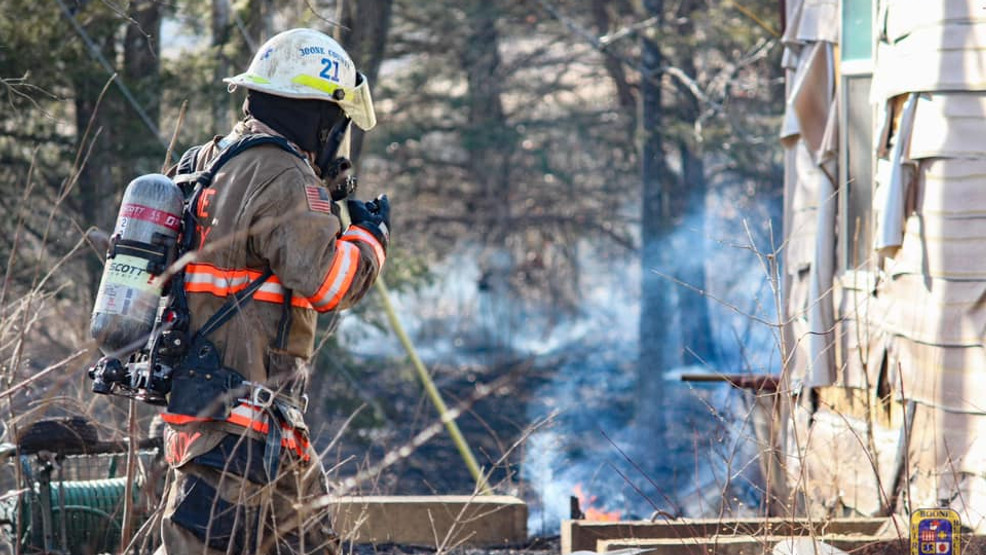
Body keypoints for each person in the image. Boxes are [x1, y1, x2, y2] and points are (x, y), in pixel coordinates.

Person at [154, 28, 389, 554]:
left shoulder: (209, 160)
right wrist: (370, 239)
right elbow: (331, 283)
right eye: (338, 124)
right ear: (320, 117)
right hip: (236, 431)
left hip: (253, 424)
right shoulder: (284, 172)